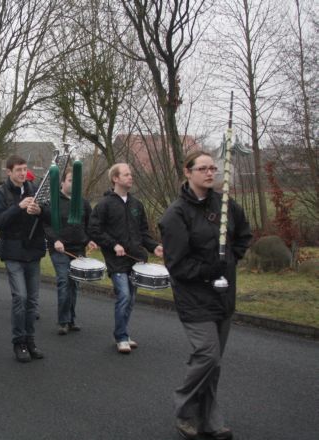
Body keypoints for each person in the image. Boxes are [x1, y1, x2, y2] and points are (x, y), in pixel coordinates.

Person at [159, 151, 251, 440]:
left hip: (224, 295)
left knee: (215, 363)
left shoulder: (225, 205)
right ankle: (185, 410)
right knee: (207, 355)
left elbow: (244, 236)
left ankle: (209, 420)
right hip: (194, 295)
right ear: (188, 173)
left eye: (213, 168)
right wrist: (211, 269)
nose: (210, 173)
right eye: (203, 168)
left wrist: (231, 261)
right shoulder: (175, 214)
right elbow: (177, 264)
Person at [88, 163, 162, 354]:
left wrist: (155, 247)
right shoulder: (104, 205)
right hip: (116, 260)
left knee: (131, 299)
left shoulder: (137, 205)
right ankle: (121, 337)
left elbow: (143, 232)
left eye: (131, 174)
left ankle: (122, 333)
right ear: (115, 179)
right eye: (126, 174)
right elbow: (94, 230)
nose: (131, 177)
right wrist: (113, 244)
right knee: (124, 296)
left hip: (136, 259)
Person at [0, 155, 47, 363]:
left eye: (25, 169)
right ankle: (19, 343)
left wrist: (40, 211)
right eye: (18, 170)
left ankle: (30, 340)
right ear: (9, 172)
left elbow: (49, 217)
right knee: (20, 298)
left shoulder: (35, 190)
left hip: (33, 250)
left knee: (32, 300)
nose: (23, 173)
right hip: (13, 252)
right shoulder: (0, 192)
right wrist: (18, 207)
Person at [44, 167, 97, 335]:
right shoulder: (53, 202)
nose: (73, 184)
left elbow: (89, 225)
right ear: (61, 182)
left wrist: (90, 240)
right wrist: (55, 240)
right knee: (64, 281)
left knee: (74, 284)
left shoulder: (83, 202)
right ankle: (63, 321)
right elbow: (46, 225)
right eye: (70, 180)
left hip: (78, 249)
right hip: (59, 249)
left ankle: (71, 318)